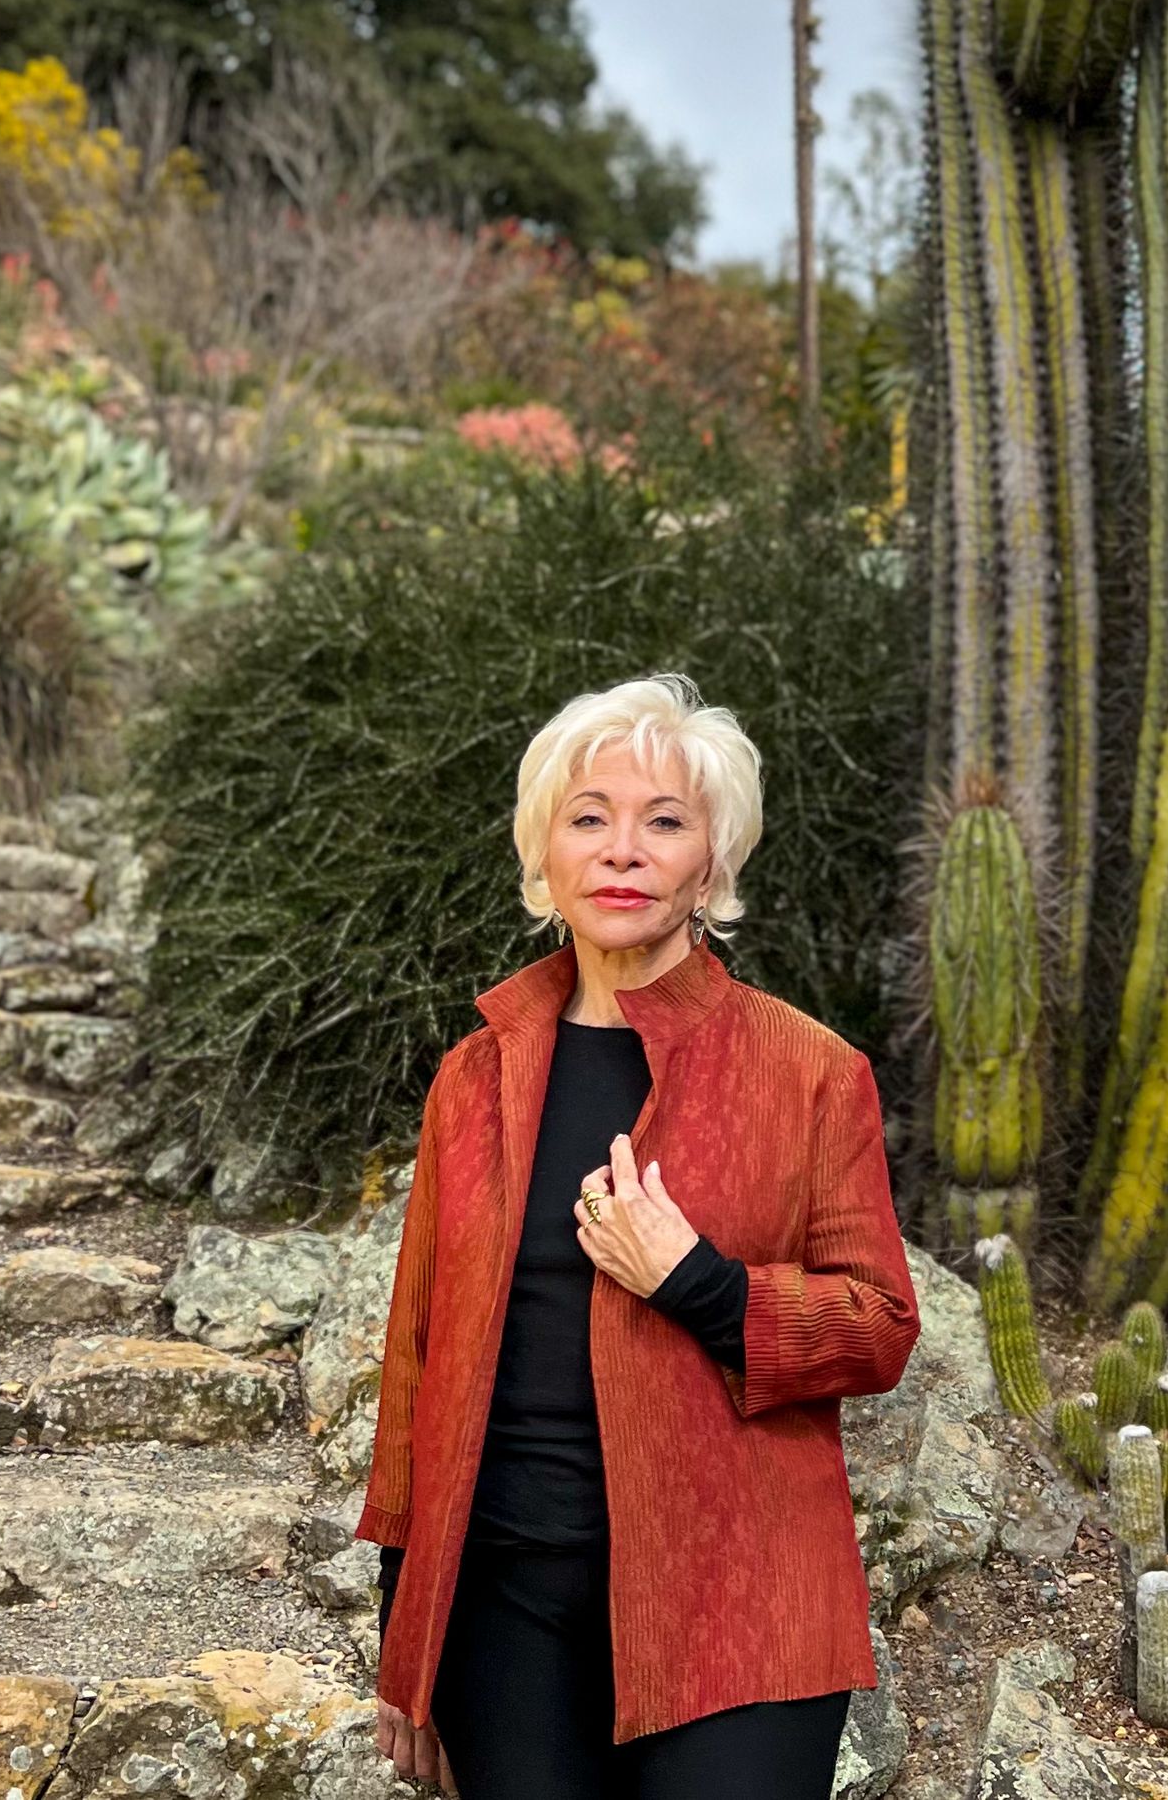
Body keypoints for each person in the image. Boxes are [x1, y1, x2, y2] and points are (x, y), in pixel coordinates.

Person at [359, 672, 921, 1798]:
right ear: (545, 858)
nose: (623, 849)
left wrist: (700, 1284)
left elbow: (881, 1329)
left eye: (663, 822)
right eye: (588, 818)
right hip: (500, 1608)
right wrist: (405, 1638)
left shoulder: (811, 1072)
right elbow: (417, 1361)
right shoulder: (475, 1077)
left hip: (739, 1602)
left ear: (711, 863)